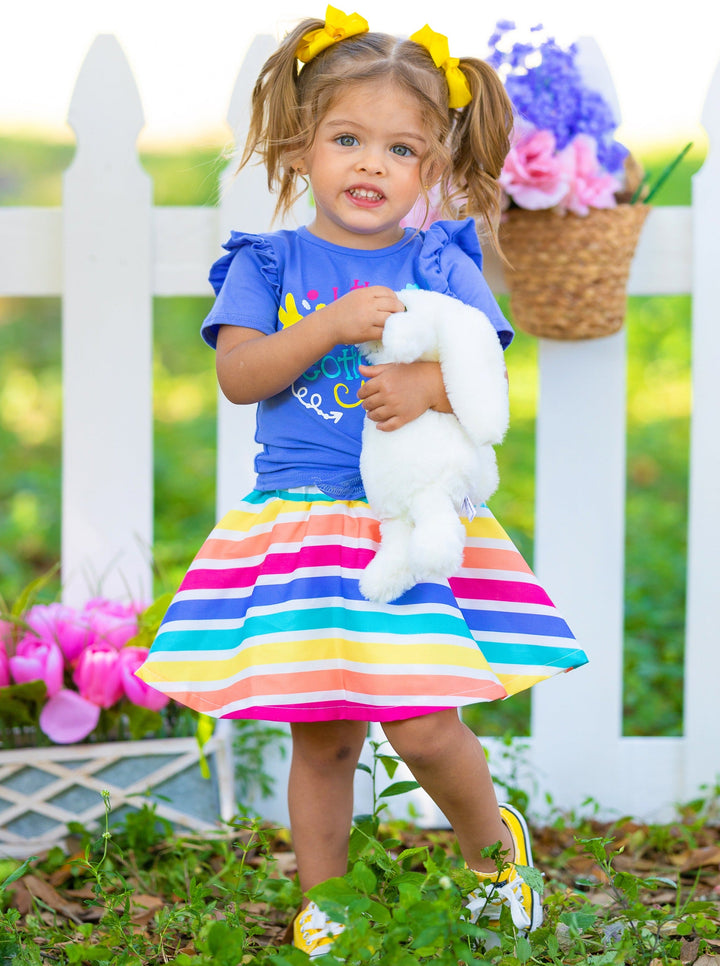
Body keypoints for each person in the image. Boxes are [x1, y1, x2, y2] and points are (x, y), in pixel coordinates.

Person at [137, 7, 588, 957]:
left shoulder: (440, 261)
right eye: (349, 139)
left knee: (423, 726)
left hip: (403, 522)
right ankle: (326, 905)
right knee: (324, 733)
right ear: (303, 150)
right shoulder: (270, 264)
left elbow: (486, 386)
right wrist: (329, 325)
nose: (371, 165)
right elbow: (241, 377)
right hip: (299, 525)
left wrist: (426, 382)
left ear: (430, 168)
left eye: (401, 148)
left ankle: (491, 854)